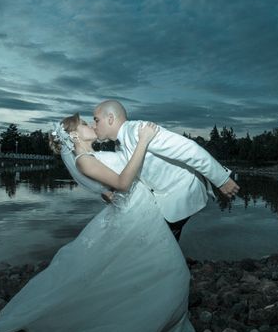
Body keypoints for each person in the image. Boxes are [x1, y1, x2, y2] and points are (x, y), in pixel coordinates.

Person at [0, 113, 196, 332]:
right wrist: (143, 141)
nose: (90, 125)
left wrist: (105, 193)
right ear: (75, 135)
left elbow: (107, 185)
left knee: (144, 270)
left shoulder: (88, 158)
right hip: (136, 214)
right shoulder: (84, 160)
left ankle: (151, 324)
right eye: (85, 124)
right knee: (171, 271)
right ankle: (145, 329)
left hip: (138, 212)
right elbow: (123, 182)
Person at [93, 100, 240, 241]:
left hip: (183, 192)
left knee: (156, 242)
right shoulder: (119, 146)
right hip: (163, 200)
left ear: (110, 118)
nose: (94, 126)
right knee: (159, 245)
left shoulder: (140, 130)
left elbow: (189, 149)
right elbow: (131, 176)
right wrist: (111, 192)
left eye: (96, 120)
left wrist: (222, 179)